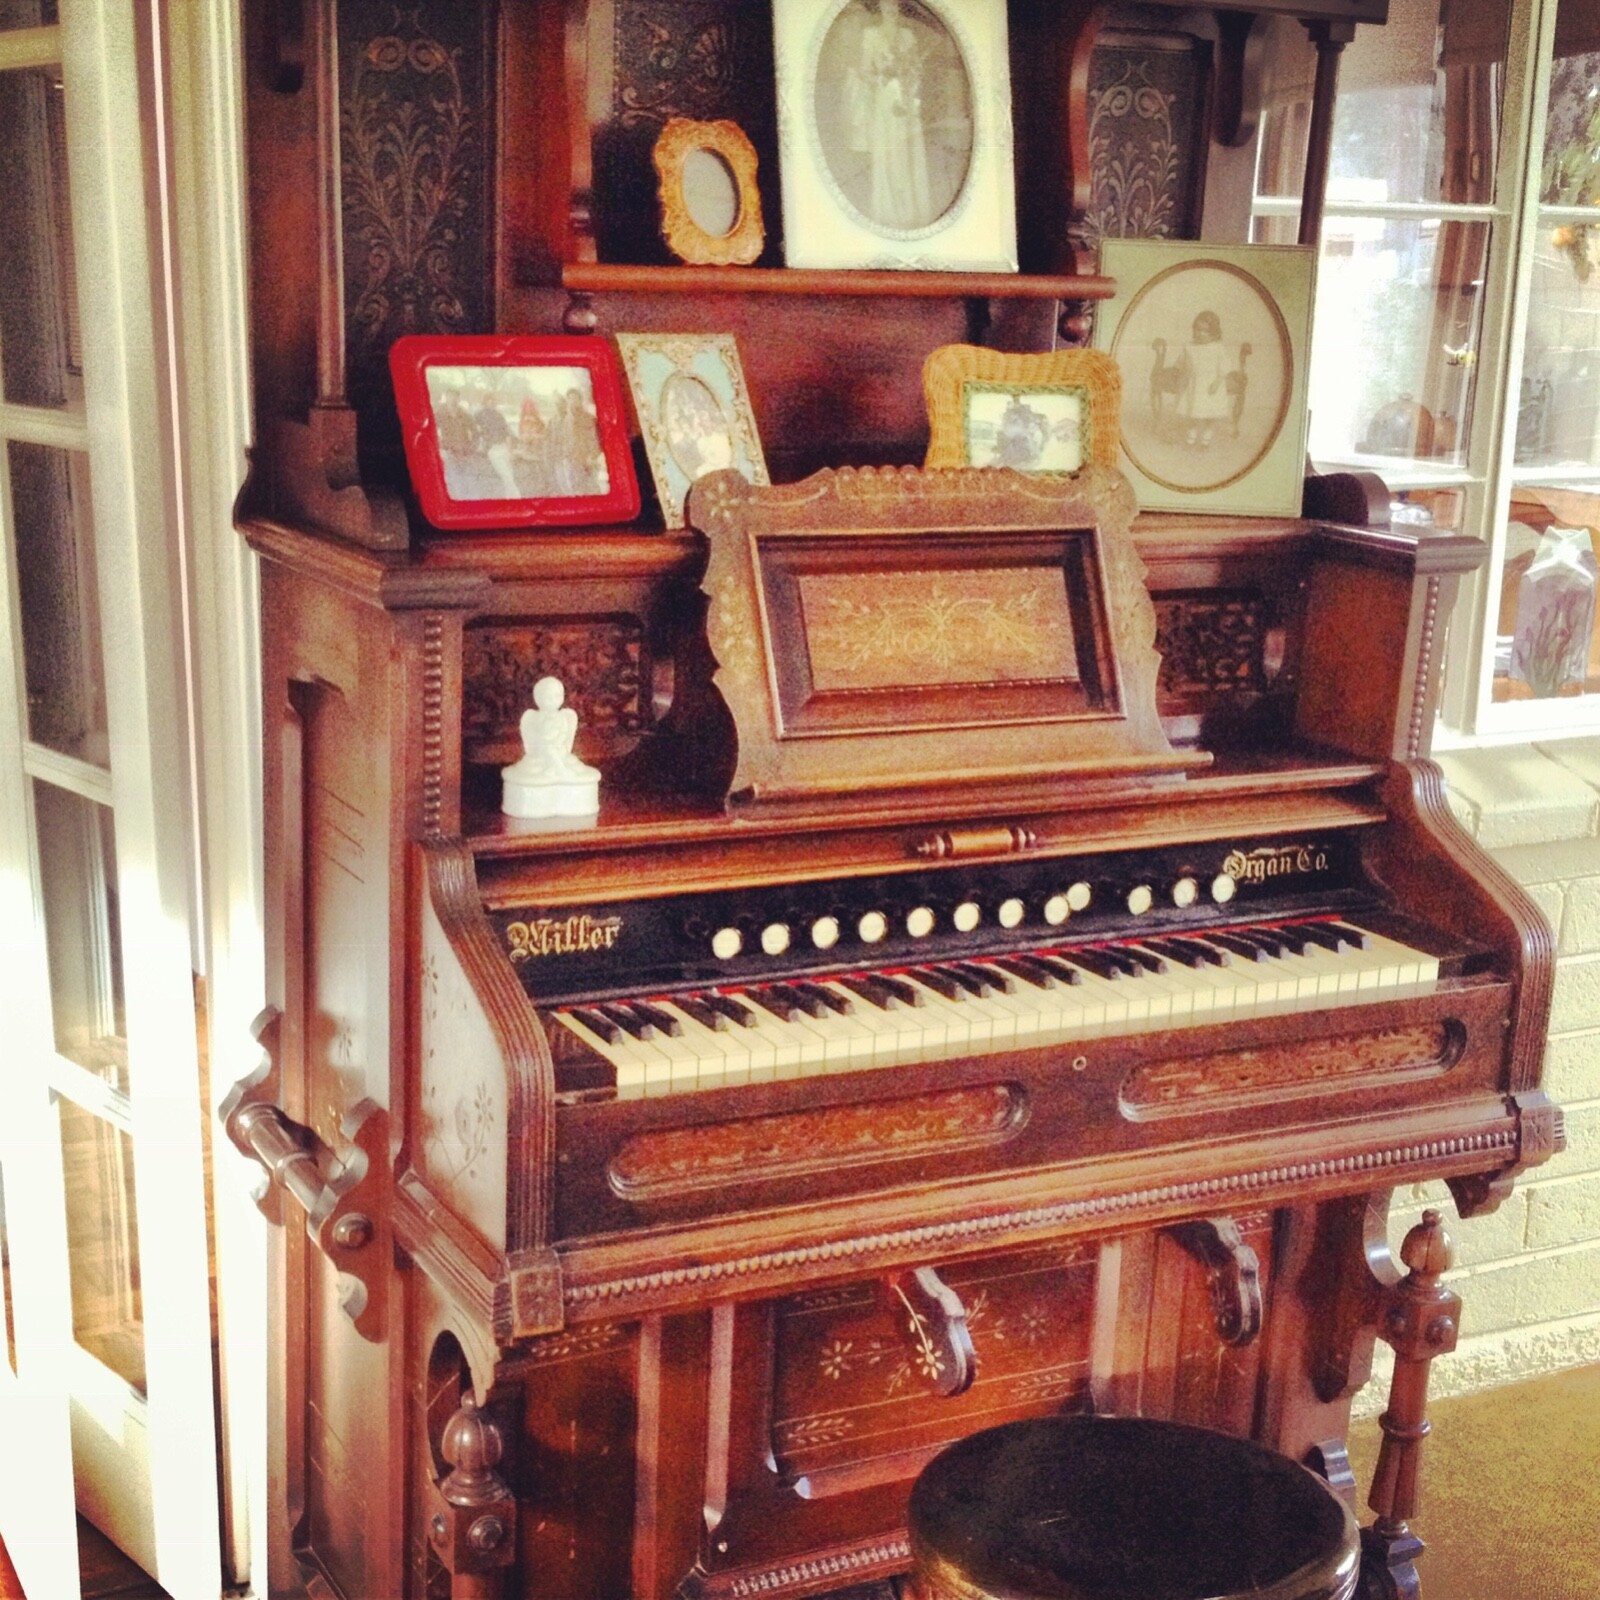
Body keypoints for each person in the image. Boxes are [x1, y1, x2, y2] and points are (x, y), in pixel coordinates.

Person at [847, 0, 933, 230]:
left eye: (894, 7)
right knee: (891, 153)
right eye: (886, 7)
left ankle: (912, 210)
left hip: (907, 99)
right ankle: (891, 210)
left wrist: (909, 83)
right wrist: (884, 80)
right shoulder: (871, 35)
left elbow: (916, 68)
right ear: (880, 9)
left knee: (908, 151)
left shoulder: (907, 35)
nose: (891, 11)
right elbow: (865, 70)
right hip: (885, 101)